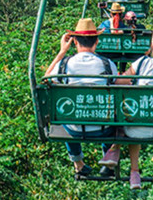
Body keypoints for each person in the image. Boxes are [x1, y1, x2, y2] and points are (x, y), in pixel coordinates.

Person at [99, 29, 153, 189]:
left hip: (135, 129)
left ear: (152, 46)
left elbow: (117, 83)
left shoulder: (142, 64)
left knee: (126, 110)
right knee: (140, 117)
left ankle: (116, 149)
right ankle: (134, 171)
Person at [44, 18, 118, 180]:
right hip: (103, 128)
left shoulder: (64, 64)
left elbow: (46, 79)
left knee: (66, 112)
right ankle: (108, 158)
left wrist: (61, 52)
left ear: (75, 41)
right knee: (113, 115)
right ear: (97, 42)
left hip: (74, 129)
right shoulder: (107, 64)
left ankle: (78, 164)